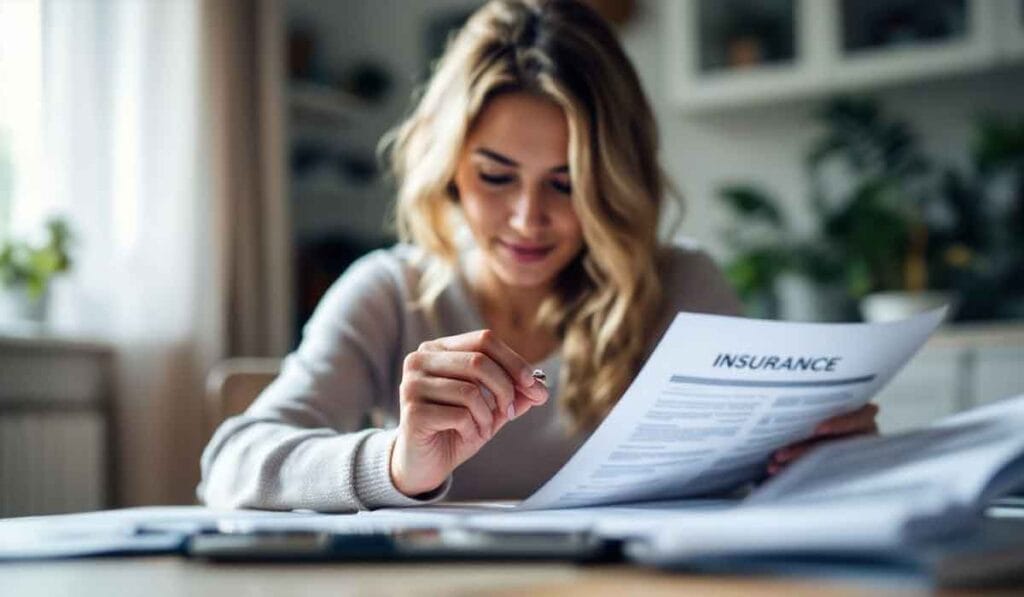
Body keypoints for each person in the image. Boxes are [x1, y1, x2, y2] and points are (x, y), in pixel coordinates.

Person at [197, 0, 878, 511]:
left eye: (568, 182)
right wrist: (401, 463)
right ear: (450, 168)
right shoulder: (388, 291)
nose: (529, 219)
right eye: (496, 176)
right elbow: (230, 464)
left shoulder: (679, 286)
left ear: (614, 183)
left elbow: (751, 484)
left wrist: (813, 462)